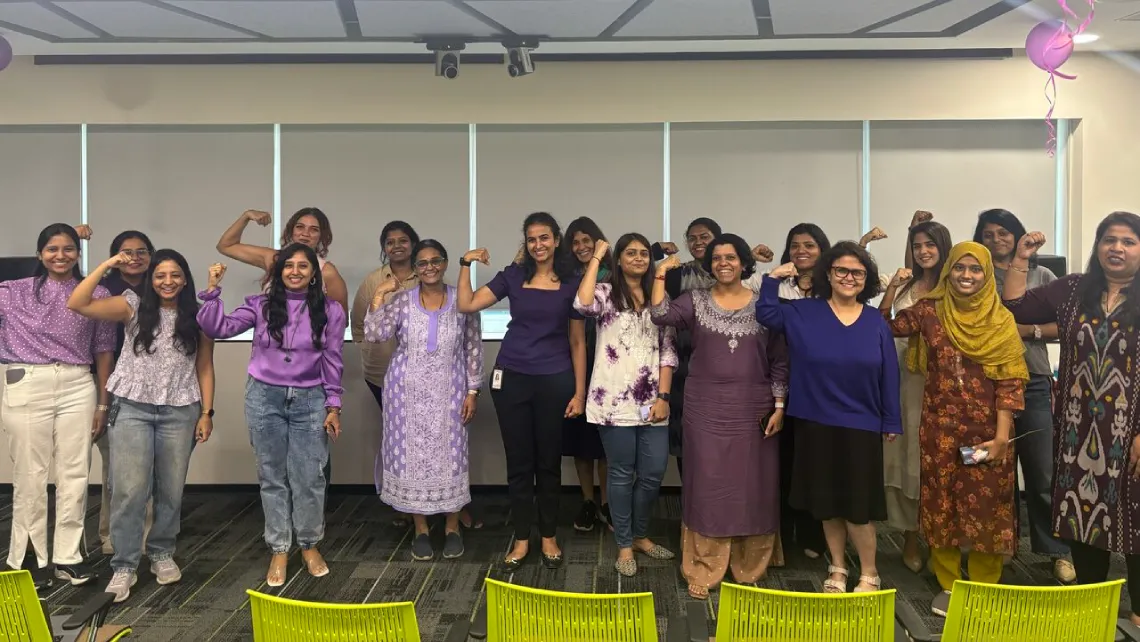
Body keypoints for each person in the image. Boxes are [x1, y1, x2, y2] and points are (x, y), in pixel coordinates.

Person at [1002, 213, 1140, 624]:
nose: (1117, 248)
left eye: (1129, 241)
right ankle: (1093, 604)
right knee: (1086, 515)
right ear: (1098, 246)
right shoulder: (1074, 289)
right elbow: (1016, 307)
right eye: (1109, 239)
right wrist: (1022, 258)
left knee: (1136, 519)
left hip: (1130, 432)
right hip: (1079, 430)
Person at [884, 241, 1026, 616]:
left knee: (987, 509)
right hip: (938, 428)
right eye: (959, 268)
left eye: (975, 269)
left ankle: (982, 586)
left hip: (987, 430)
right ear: (949, 272)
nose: (966, 276)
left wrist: (1000, 437)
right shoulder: (930, 311)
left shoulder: (1000, 319)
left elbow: (1011, 383)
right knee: (940, 504)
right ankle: (948, 584)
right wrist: (892, 290)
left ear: (986, 274)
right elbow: (885, 328)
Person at [67, 249, 216, 602]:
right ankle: (124, 564)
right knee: (130, 490)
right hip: (132, 408)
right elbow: (78, 302)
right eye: (160, 275)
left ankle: (162, 552)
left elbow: (205, 367)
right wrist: (105, 266)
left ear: (185, 279)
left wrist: (207, 413)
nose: (168, 281)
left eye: (175, 275)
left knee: (170, 489)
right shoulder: (131, 305)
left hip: (180, 410)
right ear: (150, 279)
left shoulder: (197, 315)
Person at [196, 243, 346, 587]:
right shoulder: (261, 305)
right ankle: (280, 547)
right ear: (278, 272)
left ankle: (309, 545)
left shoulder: (331, 310)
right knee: (272, 476)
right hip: (265, 397)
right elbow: (218, 328)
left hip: (311, 399)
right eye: (288, 266)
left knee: (310, 476)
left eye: (303, 267)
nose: (295, 271)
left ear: (313, 274)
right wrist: (213, 290)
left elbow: (333, 359)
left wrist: (333, 405)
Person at [757, 242, 900, 594]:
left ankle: (869, 571)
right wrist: (772, 278)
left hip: (862, 422)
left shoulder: (875, 321)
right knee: (826, 503)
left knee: (858, 507)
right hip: (814, 419)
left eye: (857, 273)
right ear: (828, 275)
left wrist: (891, 420)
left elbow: (890, 374)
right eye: (841, 271)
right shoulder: (804, 312)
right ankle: (837, 566)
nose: (849, 278)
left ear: (866, 280)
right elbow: (766, 313)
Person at [653, 234, 787, 599]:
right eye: (716, 258)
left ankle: (749, 563)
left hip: (754, 409)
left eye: (730, 257)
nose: (723, 263)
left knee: (752, 484)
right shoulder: (695, 301)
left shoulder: (765, 306)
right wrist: (661, 273)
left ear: (745, 263)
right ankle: (705, 562)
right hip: (705, 408)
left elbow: (778, 360)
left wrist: (779, 406)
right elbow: (659, 314)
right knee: (708, 483)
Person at [457, 212, 586, 571]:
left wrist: (579, 392)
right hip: (512, 377)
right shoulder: (513, 276)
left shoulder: (572, 282)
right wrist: (465, 263)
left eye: (544, 238)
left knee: (548, 462)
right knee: (519, 463)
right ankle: (522, 537)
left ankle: (548, 536)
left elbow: (577, 341)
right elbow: (466, 304)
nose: (538, 245)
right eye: (532, 239)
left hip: (555, 378)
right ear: (525, 243)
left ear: (556, 240)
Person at [0, 223, 116, 588]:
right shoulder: (11, 291)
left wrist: (102, 403)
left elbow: (104, 352)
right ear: (39, 254)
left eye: (68, 249)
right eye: (52, 249)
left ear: (79, 255)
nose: (61, 255)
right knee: (29, 476)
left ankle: (68, 557)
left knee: (74, 474)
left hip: (77, 385)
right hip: (26, 381)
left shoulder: (96, 292)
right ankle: (27, 558)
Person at [364, 239, 483, 561]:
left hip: (451, 392)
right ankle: (420, 530)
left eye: (436, 261)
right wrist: (380, 295)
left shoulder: (462, 300)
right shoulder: (402, 301)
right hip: (406, 394)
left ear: (444, 263)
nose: (429, 267)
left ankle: (452, 527)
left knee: (452, 456)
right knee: (412, 460)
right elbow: (374, 334)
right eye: (422, 263)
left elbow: (473, 347)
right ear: (415, 269)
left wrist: (473, 390)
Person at [974, 208, 1075, 582]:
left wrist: (1026, 330)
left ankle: (1058, 552)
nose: (997, 239)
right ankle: (992, 549)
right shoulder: (975, 275)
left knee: (1042, 473)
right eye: (989, 234)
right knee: (989, 471)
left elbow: (1066, 327)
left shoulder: (1042, 276)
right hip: (984, 383)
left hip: (1031, 379)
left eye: (1004, 233)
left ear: (1018, 237)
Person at [575, 233, 677, 576]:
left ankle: (641, 535)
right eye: (630, 253)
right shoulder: (605, 293)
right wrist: (596, 258)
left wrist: (664, 397)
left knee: (652, 473)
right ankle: (624, 544)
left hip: (653, 402)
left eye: (643, 253)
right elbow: (582, 305)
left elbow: (668, 351)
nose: (638, 258)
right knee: (620, 474)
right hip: (613, 401)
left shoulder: (658, 296)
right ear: (618, 260)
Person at [877, 214, 950, 573]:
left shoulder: (958, 285)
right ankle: (908, 537)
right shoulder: (906, 287)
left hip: (944, 383)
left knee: (936, 460)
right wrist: (893, 287)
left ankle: (941, 540)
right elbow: (882, 324)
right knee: (905, 455)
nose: (923, 252)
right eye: (917, 246)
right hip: (904, 379)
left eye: (930, 245)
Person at [92, 230, 158, 558]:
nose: (134, 257)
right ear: (114, 256)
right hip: (110, 385)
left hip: (152, 387)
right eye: (126, 252)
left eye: (142, 251)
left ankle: (146, 537)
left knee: (151, 470)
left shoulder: (162, 285)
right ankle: (112, 536)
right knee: (116, 470)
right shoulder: (105, 290)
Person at [351, 221, 420, 524]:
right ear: (384, 248)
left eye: (403, 240)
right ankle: (403, 502)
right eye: (390, 242)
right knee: (397, 438)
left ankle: (436, 499)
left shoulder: (426, 276)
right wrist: (371, 349)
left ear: (414, 244)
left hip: (422, 375)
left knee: (425, 436)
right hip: (382, 374)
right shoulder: (373, 281)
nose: (397, 246)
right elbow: (358, 325)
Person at [648, 217, 722, 480]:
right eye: (693, 237)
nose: (698, 242)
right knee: (685, 442)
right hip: (684, 365)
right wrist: (656, 251)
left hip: (722, 364)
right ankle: (688, 508)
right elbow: (639, 272)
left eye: (705, 236)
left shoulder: (730, 270)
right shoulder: (677, 273)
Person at [562, 216, 612, 532]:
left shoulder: (613, 275)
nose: (581, 247)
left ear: (598, 242)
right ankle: (588, 501)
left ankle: (608, 503)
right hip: (571, 363)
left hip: (606, 364)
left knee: (604, 440)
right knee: (580, 440)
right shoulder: (565, 277)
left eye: (586, 241)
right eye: (575, 242)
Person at [216, 207, 349, 313]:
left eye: (313, 230)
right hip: (268, 342)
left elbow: (340, 321)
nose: (305, 234)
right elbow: (226, 246)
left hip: (309, 345)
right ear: (291, 230)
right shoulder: (273, 259)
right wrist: (246, 216)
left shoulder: (327, 271)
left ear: (321, 236)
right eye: (300, 227)